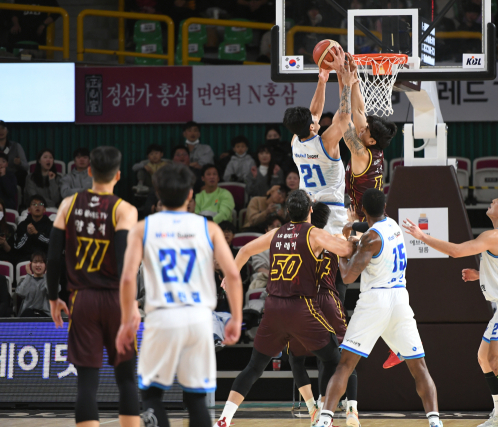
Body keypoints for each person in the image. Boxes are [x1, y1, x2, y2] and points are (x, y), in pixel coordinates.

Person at [116, 163, 243, 427]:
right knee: (196, 400)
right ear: (190, 196)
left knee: (151, 394)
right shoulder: (210, 229)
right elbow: (232, 275)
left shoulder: (143, 228)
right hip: (199, 319)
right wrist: (236, 318)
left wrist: (128, 315)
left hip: (162, 317)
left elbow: (128, 277)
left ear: (158, 194)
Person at [215, 190, 355, 427]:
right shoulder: (315, 234)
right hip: (302, 308)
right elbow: (346, 251)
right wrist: (349, 234)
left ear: (287, 212)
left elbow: (244, 250)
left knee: (254, 367)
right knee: (334, 359)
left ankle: (224, 418)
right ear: (310, 210)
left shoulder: (275, 233)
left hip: (272, 310)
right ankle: (323, 416)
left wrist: (230, 276)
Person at [402, 190, 498, 427]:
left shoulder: (495, 235)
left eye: (497, 200)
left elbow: (456, 251)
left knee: (497, 360)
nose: (492, 201)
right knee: (484, 358)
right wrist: (481, 275)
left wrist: (422, 236)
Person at [315, 188, 441, 427]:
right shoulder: (393, 225)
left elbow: (349, 276)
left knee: (345, 364)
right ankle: (435, 421)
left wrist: (343, 247)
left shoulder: (371, 239)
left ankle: (324, 420)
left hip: (376, 302)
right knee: (419, 367)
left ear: (362, 209)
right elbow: (370, 231)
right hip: (400, 301)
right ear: (384, 208)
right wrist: (354, 228)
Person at [46, 146, 139, 427]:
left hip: (82, 300)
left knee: (87, 382)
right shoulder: (125, 210)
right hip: (116, 301)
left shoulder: (68, 204)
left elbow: (52, 257)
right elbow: (125, 264)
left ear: (89, 172)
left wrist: (53, 297)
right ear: (118, 175)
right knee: (125, 378)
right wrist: (131, 304)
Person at [288, 202, 359, 427]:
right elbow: (351, 250)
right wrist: (352, 225)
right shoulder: (332, 239)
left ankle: (315, 410)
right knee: (346, 357)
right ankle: (351, 411)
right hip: (328, 299)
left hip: (304, 302)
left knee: (296, 359)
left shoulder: (297, 241)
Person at [283, 48, 355, 235]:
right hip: (333, 213)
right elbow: (344, 117)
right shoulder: (326, 143)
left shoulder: (295, 142)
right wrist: (344, 81)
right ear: (311, 127)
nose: (316, 118)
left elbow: (314, 113)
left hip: (308, 216)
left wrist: (322, 80)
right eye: (313, 121)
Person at [332, 54, 396, 221]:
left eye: (366, 129)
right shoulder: (371, 144)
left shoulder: (361, 153)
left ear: (372, 140)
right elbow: (358, 111)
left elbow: (343, 118)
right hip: (375, 218)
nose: (363, 128)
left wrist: (346, 83)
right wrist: (352, 77)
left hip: (364, 223)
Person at [15, 251, 56, 317]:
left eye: (41, 262)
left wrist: (46, 276)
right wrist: (28, 275)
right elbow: (21, 293)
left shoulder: (52, 282)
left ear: (46, 265)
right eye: (35, 262)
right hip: (27, 315)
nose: (38, 265)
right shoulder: (25, 280)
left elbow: (51, 292)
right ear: (30, 264)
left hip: (45, 316)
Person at [14, 195, 53, 263]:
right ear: (29, 209)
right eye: (34, 204)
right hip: (26, 259)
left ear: (44, 209)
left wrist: (37, 234)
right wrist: (27, 234)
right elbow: (16, 246)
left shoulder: (51, 225)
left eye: (40, 204)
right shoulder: (22, 225)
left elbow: (53, 244)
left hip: (46, 258)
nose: (37, 206)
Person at [0, 121, 28, 186]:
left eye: (3, 128)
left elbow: (26, 167)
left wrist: (20, 163)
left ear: (7, 131)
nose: (0, 131)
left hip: (12, 175)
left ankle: (21, 195)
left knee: (22, 173)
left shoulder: (16, 146)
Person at [0, 199, 16, 264]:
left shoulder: (9, 229)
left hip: (4, 260)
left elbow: (13, 253)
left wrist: (4, 243)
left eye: (0, 210)